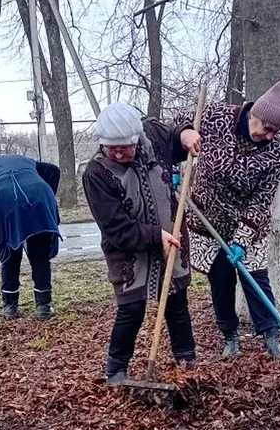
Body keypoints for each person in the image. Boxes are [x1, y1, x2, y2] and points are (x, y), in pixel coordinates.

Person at [82, 102, 201, 385]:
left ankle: (187, 361)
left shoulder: (153, 136)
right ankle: (116, 370)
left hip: (172, 239)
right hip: (128, 252)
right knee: (131, 308)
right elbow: (116, 227)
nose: (118, 153)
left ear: (136, 138)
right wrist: (155, 236)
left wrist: (185, 134)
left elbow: (175, 138)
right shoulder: (96, 173)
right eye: (111, 148)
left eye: (124, 147)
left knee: (176, 302)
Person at [185, 79, 280, 359]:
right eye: (267, 128)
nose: (269, 136)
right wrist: (178, 154)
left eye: (276, 132)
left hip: (248, 223)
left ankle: (271, 336)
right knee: (221, 279)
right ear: (254, 114)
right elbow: (180, 128)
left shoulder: (275, 149)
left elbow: (262, 199)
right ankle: (230, 336)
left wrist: (242, 240)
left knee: (256, 277)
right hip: (208, 219)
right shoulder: (216, 117)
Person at [0, 149, 62, 320]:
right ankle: (43, 307)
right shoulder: (22, 159)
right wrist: (46, 192)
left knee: (10, 256)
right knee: (40, 254)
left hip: (4, 202)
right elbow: (54, 171)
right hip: (39, 197)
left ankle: (10, 307)